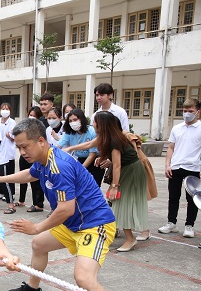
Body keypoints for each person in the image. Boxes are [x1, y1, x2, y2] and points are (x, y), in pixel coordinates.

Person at [0, 117, 132, 291]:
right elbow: (29, 175)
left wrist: (37, 226)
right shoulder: (43, 160)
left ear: (41, 141)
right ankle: (32, 290)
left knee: (84, 278)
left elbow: (65, 209)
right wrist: (0, 180)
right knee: (39, 244)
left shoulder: (58, 165)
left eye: (24, 146)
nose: (21, 152)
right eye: (18, 147)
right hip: (73, 224)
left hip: (95, 225)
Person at [94, 111, 148, 252]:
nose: (93, 124)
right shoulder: (112, 137)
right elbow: (92, 145)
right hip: (129, 170)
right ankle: (116, 234)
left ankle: (130, 239)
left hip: (131, 172)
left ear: (102, 125)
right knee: (120, 203)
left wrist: (115, 186)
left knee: (121, 202)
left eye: (95, 122)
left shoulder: (114, 141)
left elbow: (117, 165)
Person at [159, 98, 201, 238]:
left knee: (192, 199)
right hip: (176, 166)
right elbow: (171, 147)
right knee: (173, 197)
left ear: (198, 112)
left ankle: (189, 225)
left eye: (190, 111)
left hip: (193, 167)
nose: (187, 114)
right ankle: (171, 223)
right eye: (184, 111)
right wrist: (167, 165)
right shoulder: (177, 128)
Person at [59, 108, 104, 186]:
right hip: (80, 160)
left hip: (95, 162)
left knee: (93, 186)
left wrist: (80, 170)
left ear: (82, 119)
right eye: (70, 121)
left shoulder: (92, 131)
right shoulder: (69, 132)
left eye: (75, 119)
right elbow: (59, 145)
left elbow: (92, 154)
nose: (73, 123)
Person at [17, 107, 45, 211]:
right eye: (30, 114)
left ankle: (38, 203)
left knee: (35, 178)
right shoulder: (24, 127)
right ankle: (21, 199)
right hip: (25, 156)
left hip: (34, 156)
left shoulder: (40, 129)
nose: (31, 117)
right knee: (23, 176)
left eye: (34, 115)